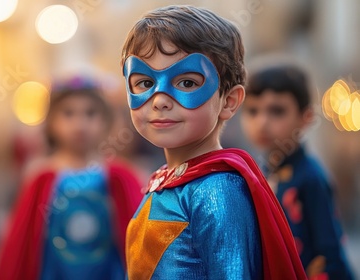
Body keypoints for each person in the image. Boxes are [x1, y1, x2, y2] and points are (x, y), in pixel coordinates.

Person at [120, 5, 307, 279]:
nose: (159, 100)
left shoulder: (216, 189)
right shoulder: (168, 180)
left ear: (228, 101)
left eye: (186, 83)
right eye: (145, 83)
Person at [0, 78, 143, 280]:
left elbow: (139, 240)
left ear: (106, 121)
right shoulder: (41, 178)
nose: (79, 124)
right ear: (51, 121)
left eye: (90, 113)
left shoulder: (120, 176)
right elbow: (21, 246)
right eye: (68, 113)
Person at [241, 64, 353, 279]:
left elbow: (329, 254)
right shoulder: (263, 171)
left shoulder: (311, 178)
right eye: (253, 111)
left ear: (306, 117)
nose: (262, 122)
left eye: (277, 111)